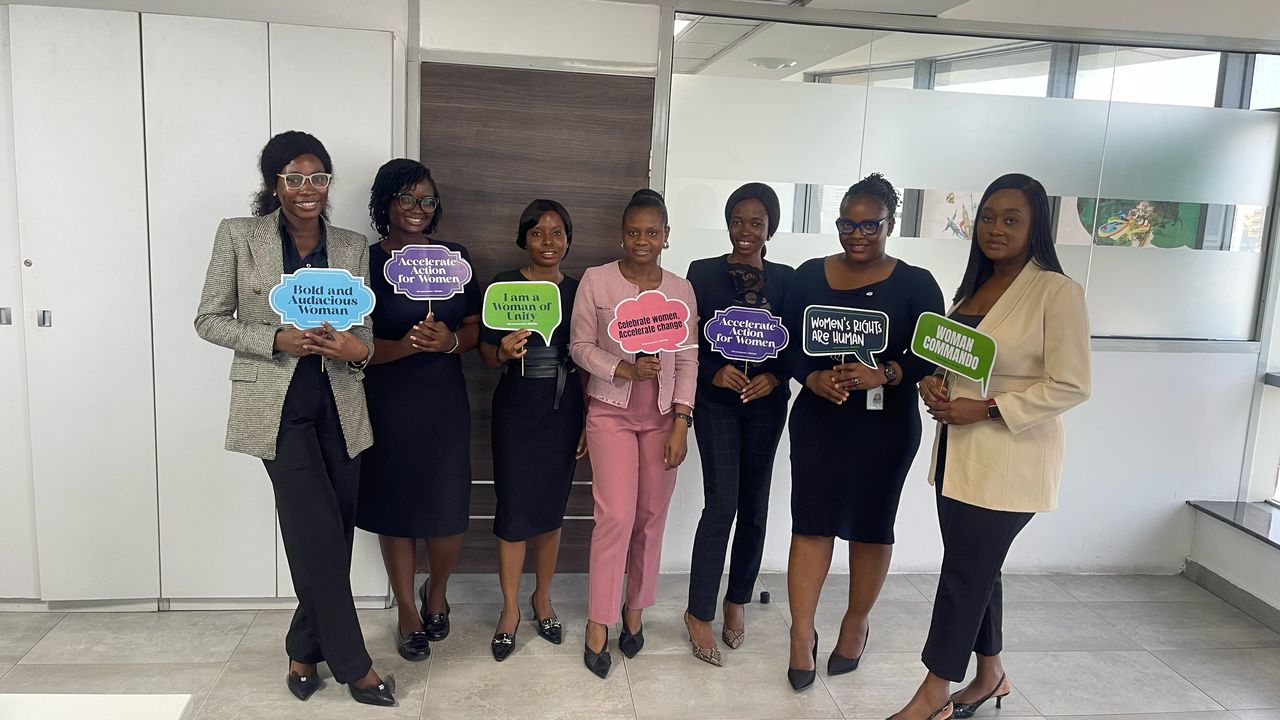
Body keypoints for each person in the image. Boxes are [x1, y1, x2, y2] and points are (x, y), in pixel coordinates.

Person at [194, 131, 395, 707]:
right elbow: (209, 319)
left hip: (342, 406)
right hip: (276, 409)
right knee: (314, 530)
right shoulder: (239, 236)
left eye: (318, 178)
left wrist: (355, 349)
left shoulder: (351, 246)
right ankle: (355, 666)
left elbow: (364, 333)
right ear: (274, 184)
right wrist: (274, 338)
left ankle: (303, 648)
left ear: (328, 183)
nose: (308, 189)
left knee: (331, 534)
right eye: (294, 178)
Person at [889, 173, 1090, 720]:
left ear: (1035, 226)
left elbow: (1072, 384)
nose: (995, 228)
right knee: (978, 568)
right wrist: (933, 382)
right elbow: (958, 361)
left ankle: (934, 692)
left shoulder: (1057, 292)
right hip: (957, 458)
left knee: (963, 575)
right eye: (988, 217)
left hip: (1010, 461)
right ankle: (991, 673)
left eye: (1011, 219)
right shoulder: (972, 289)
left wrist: (989, 408)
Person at [782, 173, 944, 692]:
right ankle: (801, 632)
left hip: (885, 428)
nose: (857, 234)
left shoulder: (917, 285)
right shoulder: (808, 276)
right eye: (846, 224)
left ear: (889, 223)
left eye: (869, 225)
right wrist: (811, 377)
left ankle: (856, 623)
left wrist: (887, 372)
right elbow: (784, 343)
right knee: (811, 524)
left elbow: (929, 356)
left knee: (872, 527)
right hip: (819, 421)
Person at [355, 159, 480, 661]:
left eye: (427, 200)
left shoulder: (455, 258)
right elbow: (354, 343)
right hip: (389, 399)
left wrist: (450, 341)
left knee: (448, 510)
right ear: (385, 203)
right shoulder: (364, 261)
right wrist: (405, 346)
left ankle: (437, 592)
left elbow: (475, 326)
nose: (417, 209)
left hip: (444, 400)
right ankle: (408, 610)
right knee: (397, 508)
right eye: (406, 198)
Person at [570, 189, 698, 679]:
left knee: (649, 518)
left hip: (663, 417)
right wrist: (621, 368)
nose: (642, 240)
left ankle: (635, 608)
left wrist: (682, 421)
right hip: (611, 412)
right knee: (616, 517)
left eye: (652, 232)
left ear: (666, 236)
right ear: (621, 235)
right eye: (633, 232)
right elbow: (580, 346)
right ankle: (598, 619)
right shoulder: (597, 280)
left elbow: (687, 361)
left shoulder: (681, 290)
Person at [683, 183, 794, 667]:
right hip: (716, 403)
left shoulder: (788, 280)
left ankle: (738, 599)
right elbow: (686, 339)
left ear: (770, 228)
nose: (745, 230)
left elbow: (797, 345)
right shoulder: (701, 273)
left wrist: (774, 377)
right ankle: (698, 612)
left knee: (754, 506)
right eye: (737, 220)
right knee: (721, 504)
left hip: (766, 405)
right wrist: (713, 372)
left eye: (756, 222)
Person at [478, 199, 588, 662]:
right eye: (538, 232)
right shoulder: (504, 285)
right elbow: (485, 354)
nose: (548, 241)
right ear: (523, 238)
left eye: (557, 232)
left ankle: (542, 599)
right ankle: (509, 611)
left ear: (568, 239)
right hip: (516, 407)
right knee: (513, 509)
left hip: (564, 408)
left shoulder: (580, 290)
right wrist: (503, 352)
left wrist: (587, 420)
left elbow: (587, 360)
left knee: (551, 510)